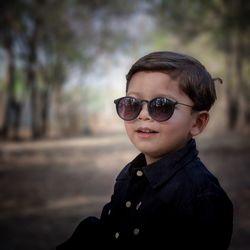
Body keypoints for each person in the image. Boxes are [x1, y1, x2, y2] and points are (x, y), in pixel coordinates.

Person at [56, 51, 233, 249]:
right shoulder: (130, 175)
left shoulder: (203, 198)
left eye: (162, 105)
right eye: (132, 104)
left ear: (197, 122)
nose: (143, 115)